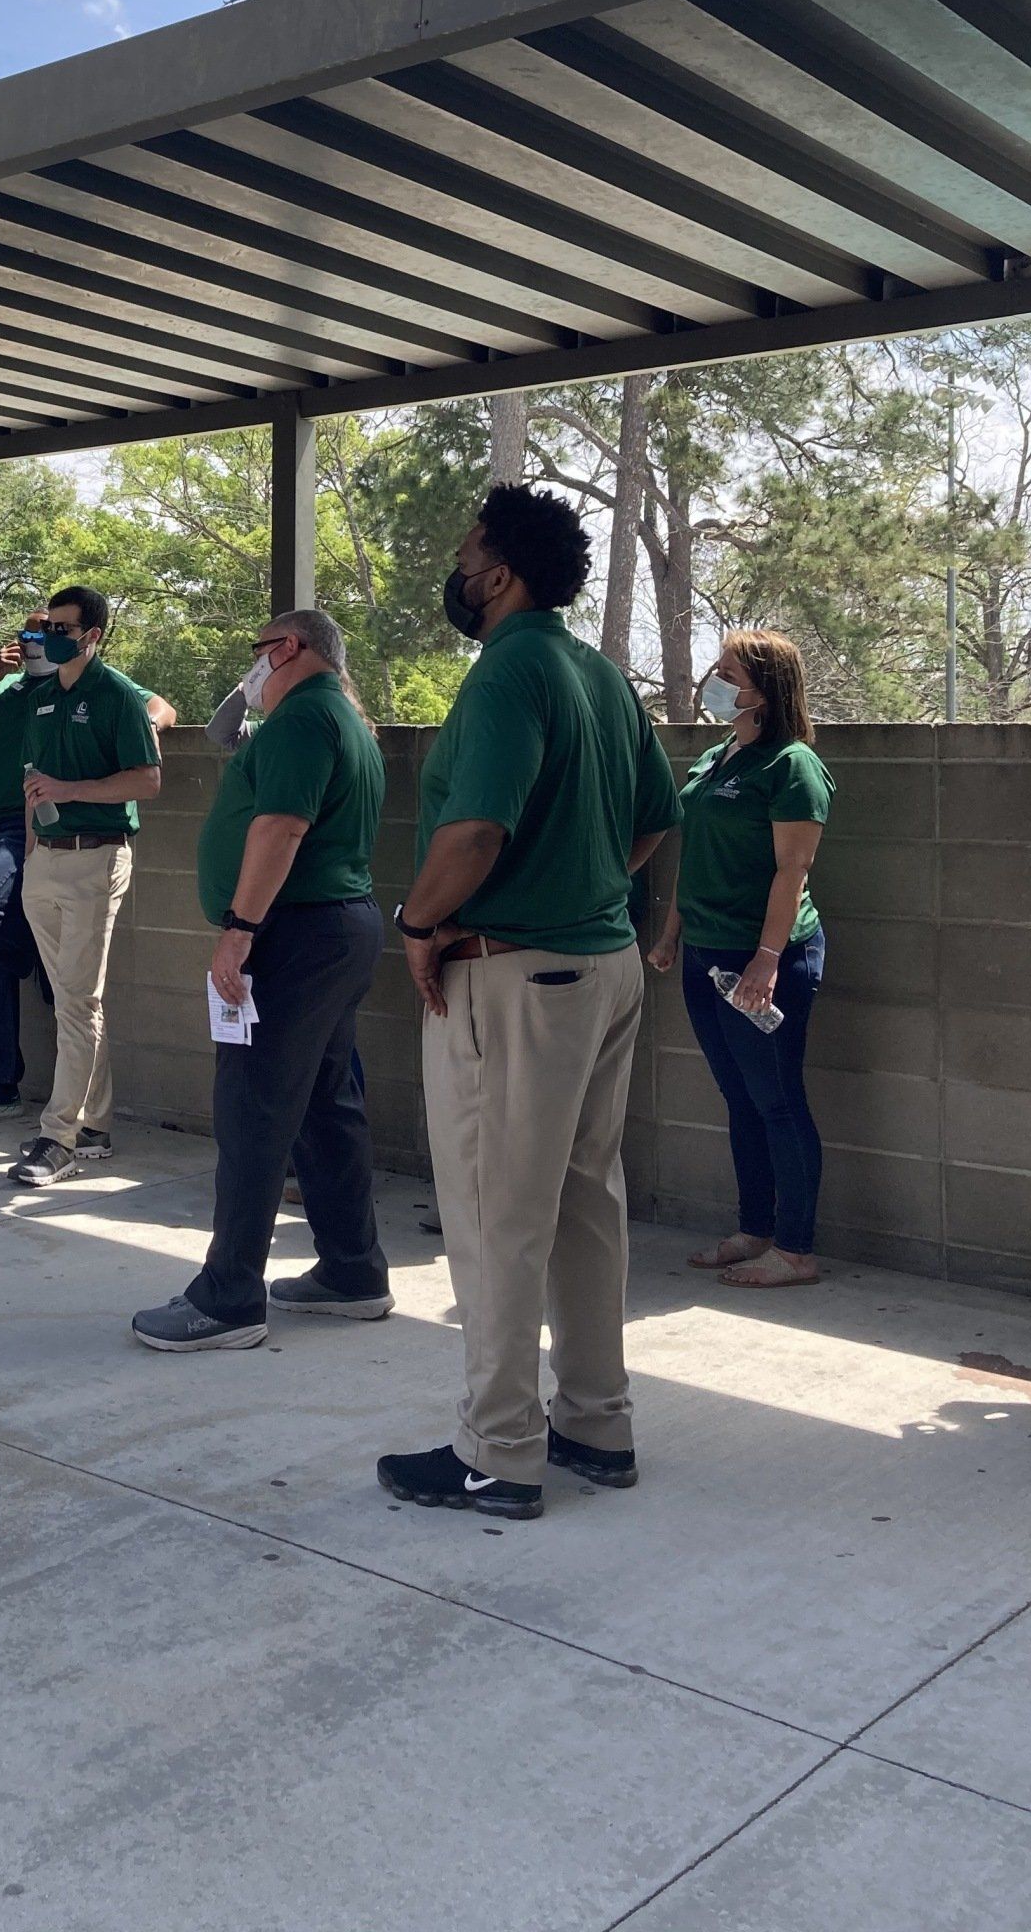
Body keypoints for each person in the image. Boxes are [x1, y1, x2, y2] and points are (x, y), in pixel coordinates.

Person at [381, 486, 681, 1521]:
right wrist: (591, 885)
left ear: (498, 574)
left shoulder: (509, 672)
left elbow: (473, 837)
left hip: (514, 980)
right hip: (603, 971)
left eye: (467, 554)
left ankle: (498, 1452)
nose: (458, 571)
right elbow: (653, 814)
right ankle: (597, 1423)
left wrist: (419, 927)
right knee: (586, 1203)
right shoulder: (598, 673)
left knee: (494, 1210)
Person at [132, 610, 390, 1350]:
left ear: (287, 649)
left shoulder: (305, 720)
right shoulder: (337, 716)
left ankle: (229, 1297)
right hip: (334, 927)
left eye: (258, 654)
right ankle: (352, 1271)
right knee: (323, 1104)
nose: (252, 671)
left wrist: (239, 931)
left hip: (292, 934)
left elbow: (280, 828)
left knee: (252, 1106)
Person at [649, 630, 832, 1290]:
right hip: (706, 954)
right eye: (716, 669)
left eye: (728, 672)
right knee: (741, 1097)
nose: (715, 682)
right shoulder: (717, 756)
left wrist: (767, 959)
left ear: (766, 689)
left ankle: (796, 1248)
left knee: (779, 1099)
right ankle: (755, 1229)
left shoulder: (791, 766)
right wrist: (673, 932)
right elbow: (693, 854)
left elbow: (793, 868)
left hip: (763, 961)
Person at [0, 614, 177, 1128]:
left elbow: (160, 707)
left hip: (35, 827)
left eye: (44, 633)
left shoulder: (81, 684)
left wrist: (149, 731)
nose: (34, 643)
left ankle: (78, 1115)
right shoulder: (6, 689)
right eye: (26, 635)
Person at [10, 586, 165, 1187]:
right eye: (49, 624)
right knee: (74, 1001)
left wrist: (71, 791)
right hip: (44, 862)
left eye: (65, 627)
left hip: (98, 859)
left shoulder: (119, 696)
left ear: (93, 635)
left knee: (77, 1000)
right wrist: (30, 856)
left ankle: (59, 1138)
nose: (52, 634)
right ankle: (94, 1124)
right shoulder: (41, 698)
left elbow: (149, 782)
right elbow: (33, 782)